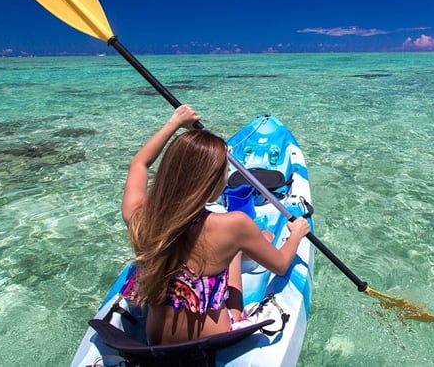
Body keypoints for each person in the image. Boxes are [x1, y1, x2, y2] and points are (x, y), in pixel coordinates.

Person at [122, 105, 310, 345]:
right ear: (212, 182)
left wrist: (175, 122)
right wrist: (297, 233)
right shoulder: (234, 225)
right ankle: (247, 250)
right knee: (235, 248)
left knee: (234, 246)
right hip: (217, 338)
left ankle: (247, 247)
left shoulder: (140, 218)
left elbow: (139, 164)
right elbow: (281, 265)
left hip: (155, 341)